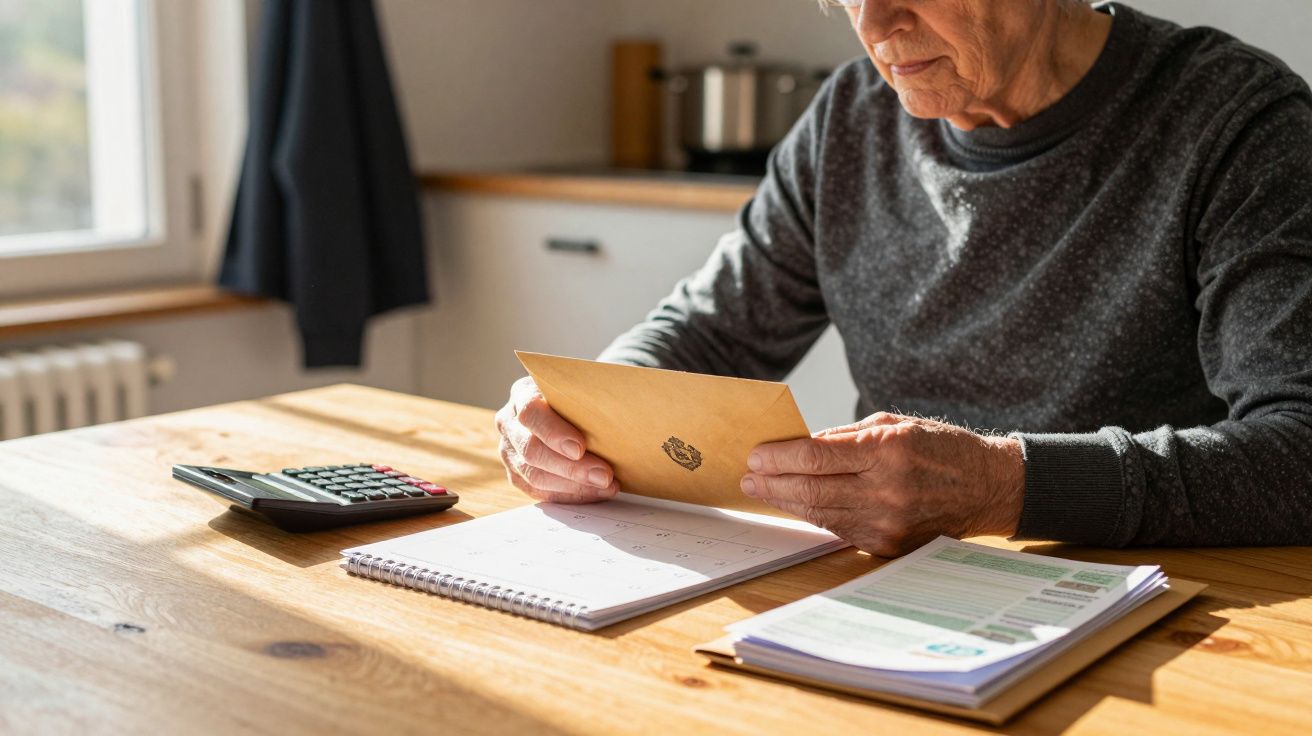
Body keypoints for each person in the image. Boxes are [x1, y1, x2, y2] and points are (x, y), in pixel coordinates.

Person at [495, 0, 1312, 556]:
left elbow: (1299, 449)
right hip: (890, 593)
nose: (876, 25)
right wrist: (586, 413)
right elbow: (708, 331)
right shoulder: (850, 115)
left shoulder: (1238, 120)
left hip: (1161, 604)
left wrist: (1002, 487)